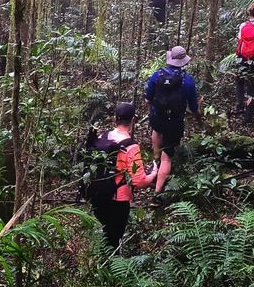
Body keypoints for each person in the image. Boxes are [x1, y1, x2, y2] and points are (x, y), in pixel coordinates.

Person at [86, 103, 154, 248]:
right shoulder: (131, 146)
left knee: (105, 235)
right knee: (113, 240)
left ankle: (102, 264)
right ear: (132, 120)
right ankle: (110, 268)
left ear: (115, 119)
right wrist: (154, 172)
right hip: (118, 200)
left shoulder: (103, 137)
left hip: (98, 195)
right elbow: (139, 181)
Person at [144, 45, 200, 195]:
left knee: (156, 131)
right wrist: (195, 114)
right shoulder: (188, 81)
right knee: (167, 158)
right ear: (184, 62)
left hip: (157, 116)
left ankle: (155, 160)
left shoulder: (157, 75)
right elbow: (193, 106)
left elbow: (148, 98)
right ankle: (157, 192)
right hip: (174, 121)